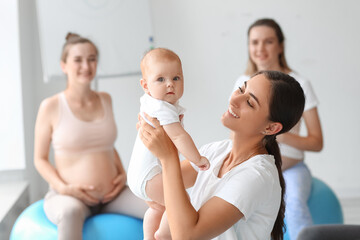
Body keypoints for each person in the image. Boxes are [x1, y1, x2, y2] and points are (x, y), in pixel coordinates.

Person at [139, 70, 306, 239]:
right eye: (241, 89)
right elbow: (155, 190)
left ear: (270, 128)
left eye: (249, 102)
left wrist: (168, 158)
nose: (234, 99)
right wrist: (161, 119)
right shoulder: (215, 152)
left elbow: (187, 236)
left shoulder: (257, 176)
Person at [33, 33, 148, 240]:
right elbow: (39, 159)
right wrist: (64, 188)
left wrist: (122, 175)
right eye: (78, 60)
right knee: (69, 213)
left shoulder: (105, 99)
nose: (86, 66)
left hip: (113, 195)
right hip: (70, 197)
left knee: (159, 205)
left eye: (92, 59)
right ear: (63, 65)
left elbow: (107, 146)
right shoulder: (51, 106)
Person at [231, 18, 323, 239]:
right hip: (252, 167)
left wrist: (278, 133)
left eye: (268, 42)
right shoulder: (243, 82)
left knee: (293, 206)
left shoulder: (299, 83)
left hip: (291, 169)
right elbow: (235, 130)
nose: (260, 49)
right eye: (254, 42)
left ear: (280, 46)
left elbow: (316, 142)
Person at [127, 48, 210, 239]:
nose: (170, 85)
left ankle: (150, 236)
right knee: (180, 202)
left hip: (139, 175)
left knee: (159, 209)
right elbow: (179, 137)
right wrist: (197, 159)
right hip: (150, 177)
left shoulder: (150, 102)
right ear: (145, 85)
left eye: (176, 78)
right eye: (161, 80)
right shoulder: (162, 108)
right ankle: (163, 236)